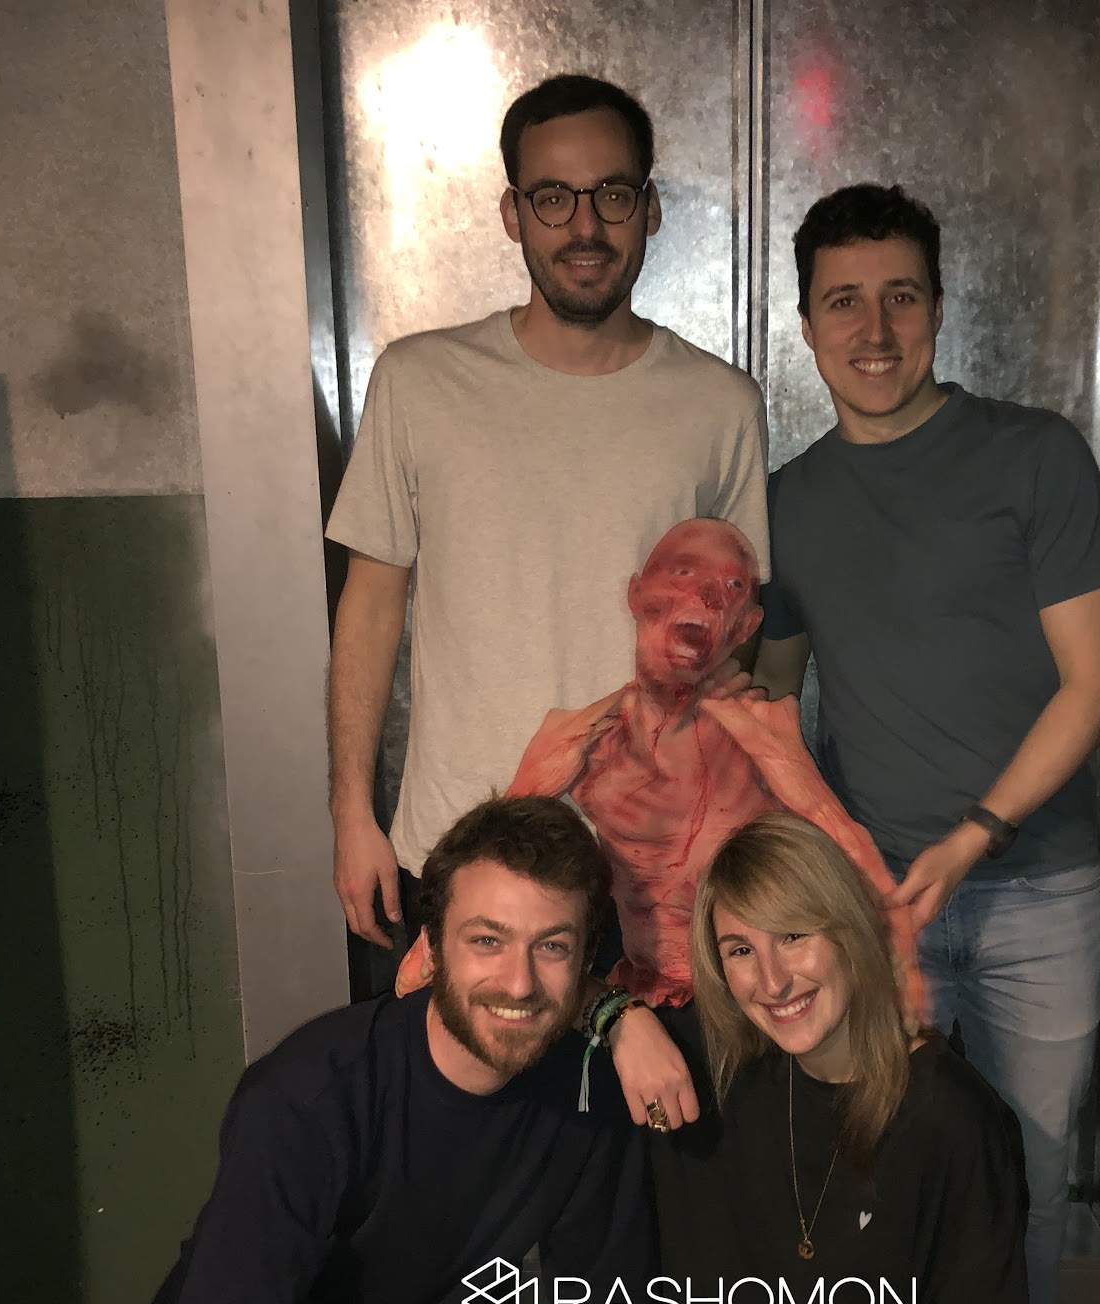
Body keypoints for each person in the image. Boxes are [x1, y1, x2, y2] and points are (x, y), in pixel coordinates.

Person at [752, 183, 1100, 1304]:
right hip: (872, 911)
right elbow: (773, 705)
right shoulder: (789, 503)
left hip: (1036, 896)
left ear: (939, 309)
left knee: (1030, 1175)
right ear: (808, 323)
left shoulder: (1035, 455)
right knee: (878, 1172)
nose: (875, 330)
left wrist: (974, 837)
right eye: (843, 303)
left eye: (900, 297)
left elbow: (1098, 687)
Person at [327, 73, 770, 957]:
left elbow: (733, 636)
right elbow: (370, 608)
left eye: (612, 194)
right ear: (513, 214)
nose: (584, 226)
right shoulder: (419, 383)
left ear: (649, 208)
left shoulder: (721, 404)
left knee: (647, 1059)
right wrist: (350, 813)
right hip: (459, 857)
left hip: (648, 874)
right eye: (553, 197)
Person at [100, 795, 683, 1304]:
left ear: (584, 961)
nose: (519, 984)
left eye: (551, 946)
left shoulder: (589, 1087)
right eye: (487, 941)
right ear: (431, 948)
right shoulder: (307, 1099)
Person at [392, 519, 920, 1133]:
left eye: (729, 588)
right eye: (683, 575)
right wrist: (532, 781)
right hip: (635, 997)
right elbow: (477, 883)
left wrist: (907, 998)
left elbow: (857, 862)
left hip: (752, 1008)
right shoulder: (585, 741)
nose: (704, 595)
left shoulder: (758, 736)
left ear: (745, 626)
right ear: (637, 595)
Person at [652, 812, 1032, 1304]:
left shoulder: (951, 1113)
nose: (773, 981)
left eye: (794, 936)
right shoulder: (716, 1067)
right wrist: (617, 1020)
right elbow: (545, 1000)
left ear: (849, 929)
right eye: (741, 950)